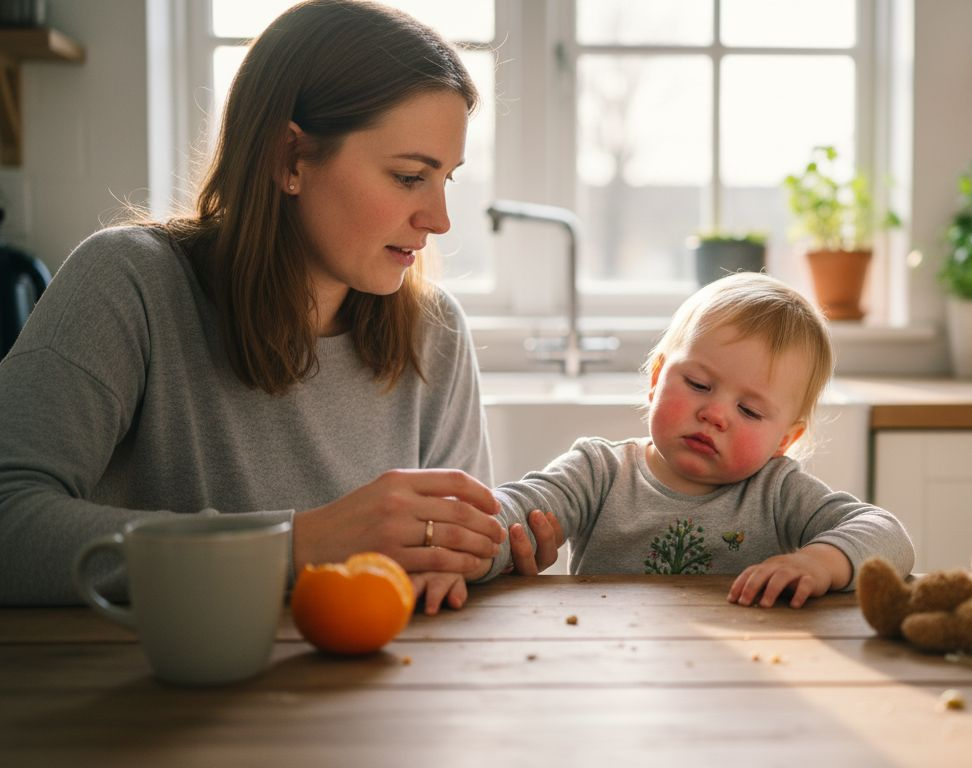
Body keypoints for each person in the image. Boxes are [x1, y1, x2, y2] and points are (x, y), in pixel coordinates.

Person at [0, 0, 562, 606]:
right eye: (407, 177)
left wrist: (480, 554)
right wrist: (295, 544)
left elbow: (445, 555)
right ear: (289, 158)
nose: (440, 219)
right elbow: (11, 523)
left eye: (445, 178)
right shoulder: (128, 283)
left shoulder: (435, 330)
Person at [438, 273, 914, 610]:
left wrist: (820, 561)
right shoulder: (598, 473)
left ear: (782, 441)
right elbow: (517, 508)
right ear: (657, 377)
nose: (714, 414)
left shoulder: (779, 492)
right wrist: (459, 549)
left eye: (749, 411)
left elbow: (889, 535)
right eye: (699, 385)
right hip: (608, 672)